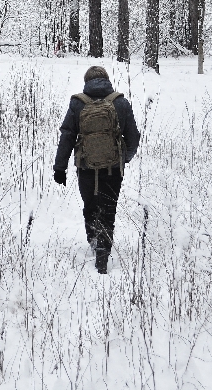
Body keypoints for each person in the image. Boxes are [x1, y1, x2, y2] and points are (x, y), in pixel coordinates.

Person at [53, 66, 140, 274]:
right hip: (112, 168)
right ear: (107, 80)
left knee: (90, 206)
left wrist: (60, 167)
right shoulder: (120, 102)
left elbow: (67, 136)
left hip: (85, 167)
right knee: (108, 209)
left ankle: (93, 241)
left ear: (86, 81)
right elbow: (133, 138)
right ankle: (103, 254)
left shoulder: (77, 103)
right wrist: (123, 159)